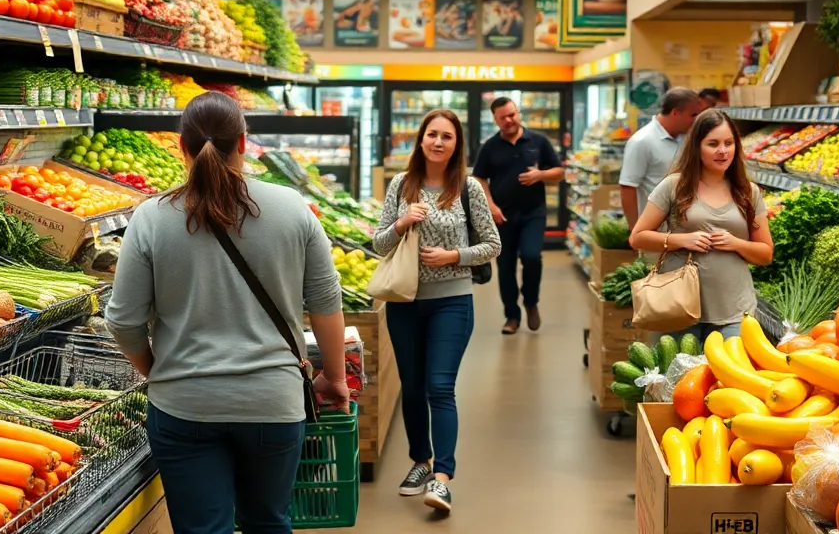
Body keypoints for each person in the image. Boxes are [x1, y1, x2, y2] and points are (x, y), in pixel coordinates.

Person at [107, 92, 349, 534]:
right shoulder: (292, 208)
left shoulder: (150, 217)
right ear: (243, 141)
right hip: (273, 403)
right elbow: (325, 302)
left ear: (182, 146)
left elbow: (122, 320)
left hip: (184, 406)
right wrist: (333, 377)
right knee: (269, 521)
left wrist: (155, 370)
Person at [373, 109, 501, 514]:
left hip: (452, 301)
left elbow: (492, 244)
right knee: (412, 387)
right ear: (421, 139)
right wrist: (400, 223)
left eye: (447, 136)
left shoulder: (468, 188)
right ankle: (419, 462)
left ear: (456, 144)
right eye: (432, 134)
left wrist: (453, 255)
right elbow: (377, 243)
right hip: (404, 302)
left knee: (439, 387)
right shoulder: (400, 184)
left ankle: (442, 477)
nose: (439, 142)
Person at [628, 109, 774, 343]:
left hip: (734, 310)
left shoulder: (748, 192)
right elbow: (638, 237)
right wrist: (679, 240)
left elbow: (765, 254)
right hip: (678, 308)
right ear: (696, 147)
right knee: (678, 378)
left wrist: (735, 243)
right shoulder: (674, 186)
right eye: (713, 144)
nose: (722, 151)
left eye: (729, 143)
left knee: (729, 379)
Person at [473, 96, 564, 335]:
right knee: (505, 266)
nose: (509, 120)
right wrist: (490, 205)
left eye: (512, 114)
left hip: (534, 213)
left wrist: (540, 175)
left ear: (518, 113)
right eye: (503, 117)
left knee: (532, 256)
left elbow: (559, 172)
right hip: (502, 216)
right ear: (495, 120)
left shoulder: (538, 141)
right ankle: (511, 316)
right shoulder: (490, 146)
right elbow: (480, 177)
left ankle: (531, 301)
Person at [618, 87, 704, 227]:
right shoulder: (642, 141)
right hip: (655, 230)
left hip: (685, 228)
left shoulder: (688, 138)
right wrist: (635, 230)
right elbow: (628, 188)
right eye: (693, 115)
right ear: (675, 112)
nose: (696, 120)